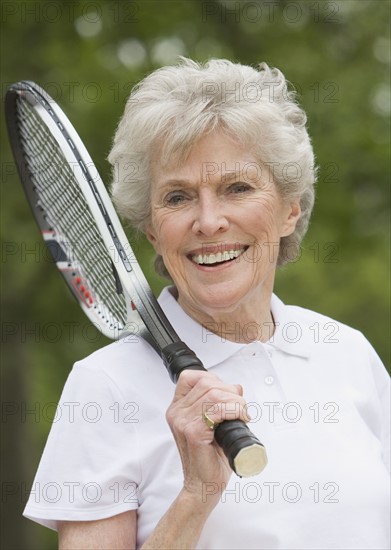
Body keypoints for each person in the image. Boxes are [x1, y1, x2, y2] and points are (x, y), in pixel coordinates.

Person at [24, 58, 390, 549]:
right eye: (178, 197)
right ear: (152, 230)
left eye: (237, 188)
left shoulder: (346, 352)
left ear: (289, 209)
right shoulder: (105, 386)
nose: (209, 220)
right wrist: (198, 494)